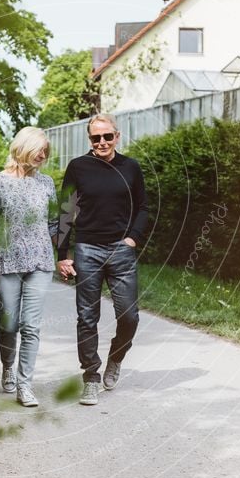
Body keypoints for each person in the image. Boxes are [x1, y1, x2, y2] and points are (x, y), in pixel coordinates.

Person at [56, 114, 148, 406]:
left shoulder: (130, 167)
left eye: (108, 136)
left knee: (129, 316)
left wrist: (132, 238)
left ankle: (116, 356)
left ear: (117, 137)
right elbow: (65, 211)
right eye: (96, 138)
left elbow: (143, 207)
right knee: (87, 317)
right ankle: (91, 377)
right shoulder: (78, 167)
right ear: (90, 140)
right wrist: (62, 254)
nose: (102, 142)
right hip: (87, 249)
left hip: (121, 251)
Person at [0, 126, 58, 407]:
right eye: (39, 149)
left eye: (45, 151)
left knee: (31, 326)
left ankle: (25, 386)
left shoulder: (47, 183)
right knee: (10, 324)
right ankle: (7, 366)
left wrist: (64, 256)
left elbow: (54, 225)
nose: (43, 155)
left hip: (40, 262)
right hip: (6, 261)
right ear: (23, 147)